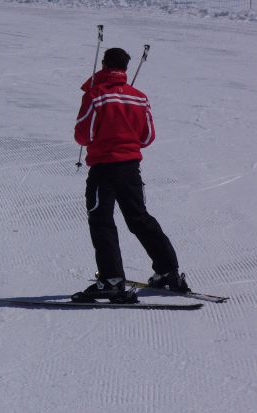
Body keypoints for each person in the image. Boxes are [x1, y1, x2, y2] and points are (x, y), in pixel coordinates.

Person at [71, 47, 189, 303]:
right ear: (125, 68)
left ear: (104, 65)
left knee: (102, 221)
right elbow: (147, 137)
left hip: (103, 169)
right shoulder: (139, 97)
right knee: (139, 218)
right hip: (130, 168)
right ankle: (168, 271)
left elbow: (83, 135)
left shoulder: (95, 95)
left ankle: (111, 280)